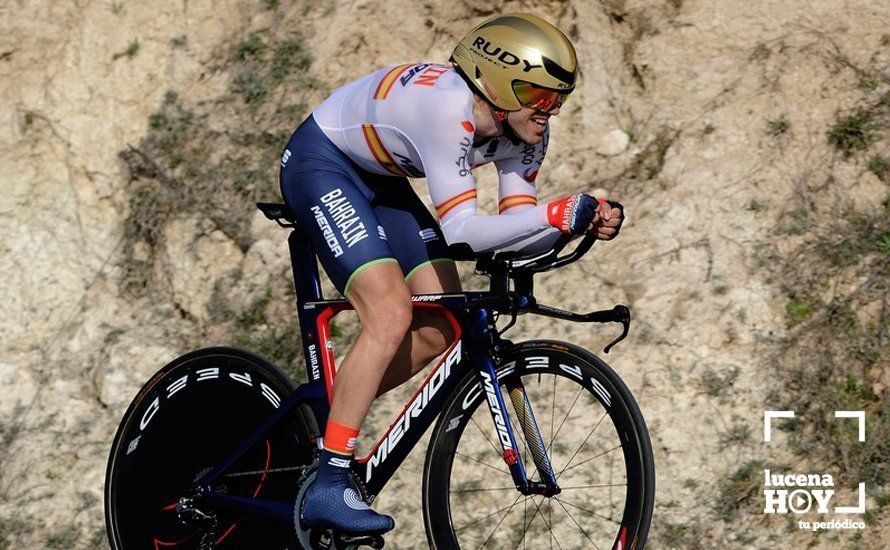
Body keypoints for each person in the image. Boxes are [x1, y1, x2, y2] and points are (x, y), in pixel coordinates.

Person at [278, 13, 625, 535]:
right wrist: (556, 214)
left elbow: (512, 232)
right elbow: (462, 232)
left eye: (558, 98)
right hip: (321, 162)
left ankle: (333, 414)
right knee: (391, 312)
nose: (548, 110)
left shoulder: (527, 132)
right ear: (496, 82)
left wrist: (574, 225)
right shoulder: (449, 109)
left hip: (382, 177)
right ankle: (330, 479)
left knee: (443, 323)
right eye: (538, 94)